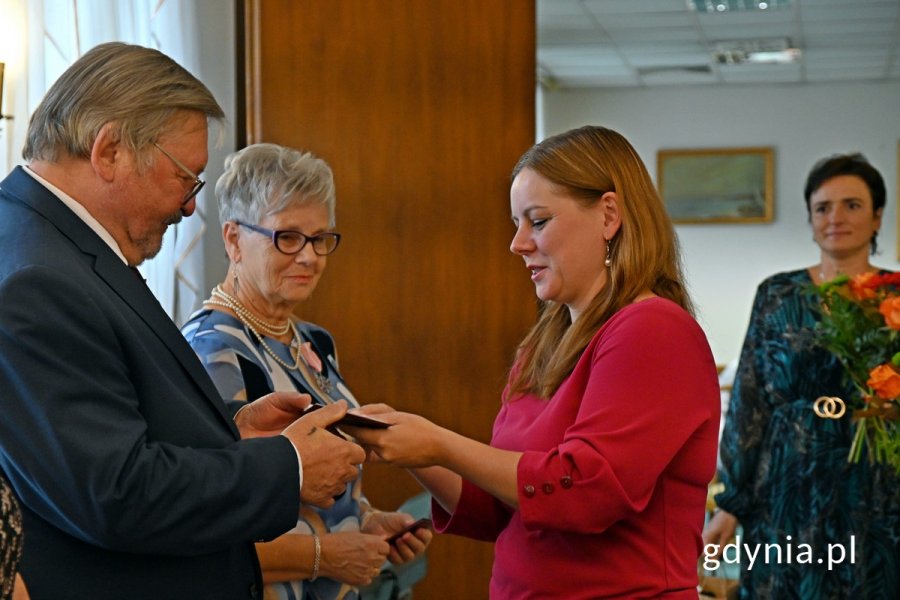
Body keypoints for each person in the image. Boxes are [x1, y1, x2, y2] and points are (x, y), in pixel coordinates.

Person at [0, 42, 366, 600]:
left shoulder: (48, 243)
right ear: (111, 150)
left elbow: (107, 432)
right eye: (187, 179)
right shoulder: (38, 277)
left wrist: (229, 436)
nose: (191, 206)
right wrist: (286, 467)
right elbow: (113, 494)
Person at [348, 125, 721, 599]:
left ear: (609, 215)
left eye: (538, 221)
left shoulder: (654, 331)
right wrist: (407, 444)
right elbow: (500, 507)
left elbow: (583, 493)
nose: (517, 243)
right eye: (516, 224)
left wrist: (441, 444)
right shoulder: (545, 343)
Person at [181, 143, 431, 600]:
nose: (310, 257)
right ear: (233, 239)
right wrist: (329, 556)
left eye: (320, 239)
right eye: (288, 237)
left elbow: (305, 489)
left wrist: (367, 519)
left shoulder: (312, 340)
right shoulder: (214, 352)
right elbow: (202, 533)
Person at [704, 153, 900, 598]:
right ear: (811, 219)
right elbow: (750, 401)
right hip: (787, 482)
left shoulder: (896, 296)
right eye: (822, 207)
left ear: (877, 217)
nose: (836, 217)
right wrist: (731, 503)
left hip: (875, 483)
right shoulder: (777, 293)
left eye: (851, 205)